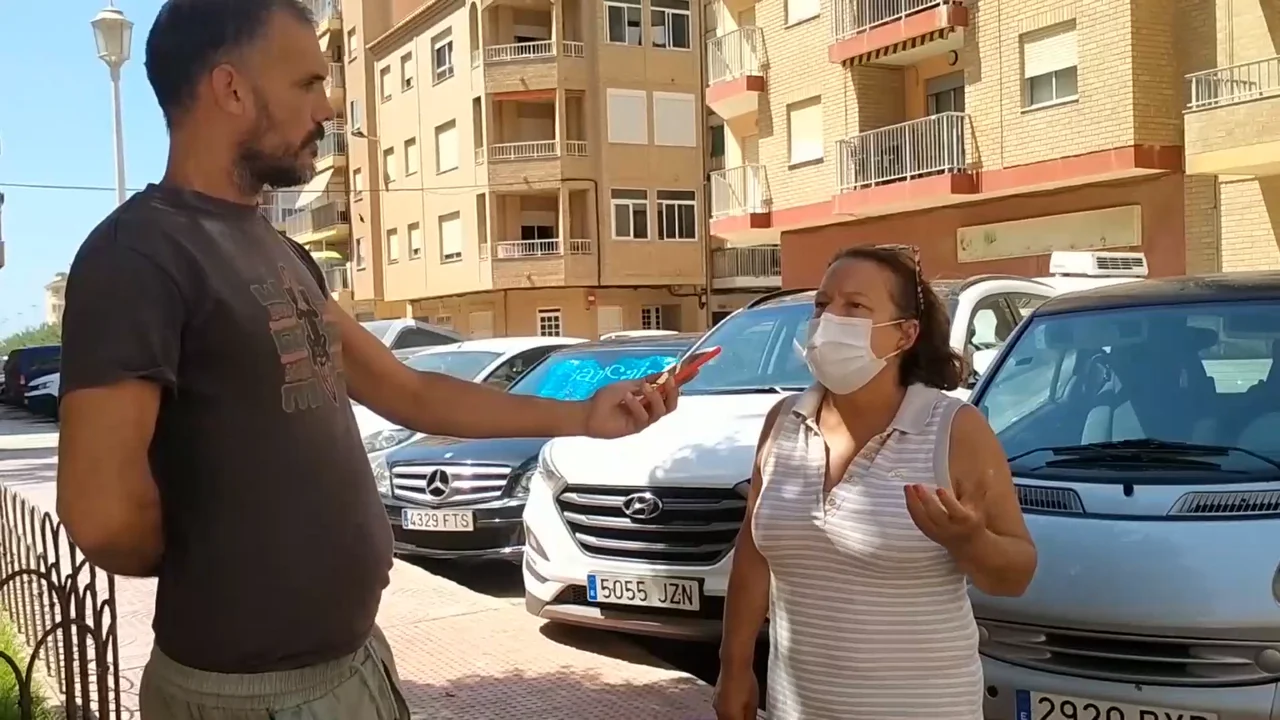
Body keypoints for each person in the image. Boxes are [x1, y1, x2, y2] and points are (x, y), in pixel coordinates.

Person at [54, 1, 685, 718]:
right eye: (306, 84)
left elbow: (410, 391)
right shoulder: (137, 256)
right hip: (249, 698)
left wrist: (582, 416)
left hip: (352, 666)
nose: (326, 109)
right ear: (230, 89)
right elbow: (102, 515)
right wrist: (216, 567)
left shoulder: (280, 252)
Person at [713, 246, 1037, 720]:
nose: (829, 319)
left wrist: (971, 542)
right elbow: (754, 551)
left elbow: (1016, 576)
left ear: (905, 333)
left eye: (855, 306)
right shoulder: (783, 422)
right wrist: (734, 667)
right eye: (822, 304)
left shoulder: (954, 430)